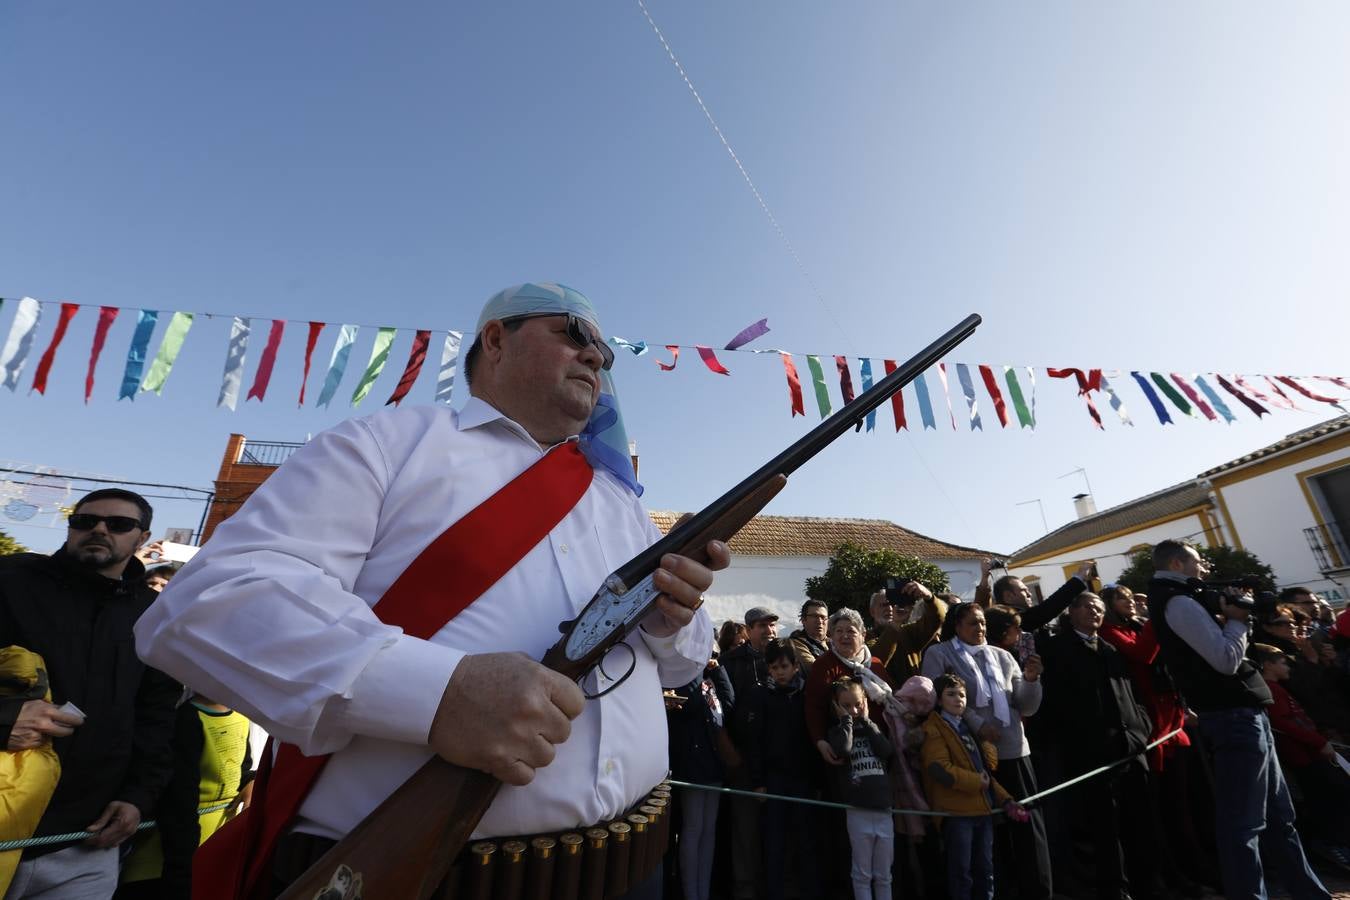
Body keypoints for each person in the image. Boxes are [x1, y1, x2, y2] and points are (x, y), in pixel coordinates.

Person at [136, 283, 727, 900]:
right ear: (495, 339)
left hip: (634, 862)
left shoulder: (621, 503)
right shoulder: (387, 444)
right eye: (575, 334)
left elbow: (683, 668)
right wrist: (437, 694)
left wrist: (672, 618)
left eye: (604, 351)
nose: (597, 358)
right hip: (426, 878)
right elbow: (208, 602)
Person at [1, 489, 180, 900]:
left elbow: (156, 718)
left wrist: (137, 797)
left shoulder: (154, 616)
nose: (99, 529)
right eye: (84, 521)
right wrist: (6, 716)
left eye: (118, 524)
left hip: (84, 844)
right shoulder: (10, 580)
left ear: (142, 537)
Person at [1147, 539, 1330, 900]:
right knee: (1242, 824)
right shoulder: (1178, 601)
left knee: (1280, 819)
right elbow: (1225, 659)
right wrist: (1238, 621)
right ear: (1178, 564)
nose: (1204, 569)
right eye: (1198, 562)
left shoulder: (1185, 596)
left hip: (1245, 714)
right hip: (1232, 717)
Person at [920, 601, 1050, 900]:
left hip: (1014, 750)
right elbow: (939, 698)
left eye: (982, 623)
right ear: (956, 626)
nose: (980, 628)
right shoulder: (940, 654)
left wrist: (1031, 680)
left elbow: (1026, 704)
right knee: (989, 839)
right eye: (972, 623)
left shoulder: (1003, 656)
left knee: (1027, 826)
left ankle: (1038, 890)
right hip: (972, 755)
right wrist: (977, 724)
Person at [1037, 592, 1158, 900]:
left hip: (1130, 750)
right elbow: (1054, 705)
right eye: (1089, 607)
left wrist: (1141, 730)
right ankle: (1115, 890)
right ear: (1072, 611)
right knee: (1105, 830)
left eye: (1100, 609)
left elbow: (1132, 694)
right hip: (1091, 755)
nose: (1095, 613)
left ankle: (1147, 885)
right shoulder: (1055, 649)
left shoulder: (1110, 649)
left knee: (1140, 825)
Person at [920, 673, 1020, 900]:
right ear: (938, 700)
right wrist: (976, 782)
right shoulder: (934, 729)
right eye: (951, 694)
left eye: (962, 695)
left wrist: (1006, 799)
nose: (958, 699)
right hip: (957, 815)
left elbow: (983, 773)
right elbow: (939, 769)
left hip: (981, 813)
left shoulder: (967, 728)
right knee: (961, 874)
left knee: (986, 872)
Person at [1252, 643, 1350, 871]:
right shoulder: (1270, 688)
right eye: (1282, 662)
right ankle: (1331, 846)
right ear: (1267, 665)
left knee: (1337, 793)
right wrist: (1318, 742)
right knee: (1329, 798)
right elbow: (1285, 725)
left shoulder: (1278, 688)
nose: (1287, 666)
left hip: (1311, 752)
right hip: (1303, 756)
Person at [745, 639, 819, 900]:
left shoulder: (805, 696)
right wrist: (758, 781)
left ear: (796, 667)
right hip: (773, 780)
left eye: (784, 666)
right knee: (774, 843)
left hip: (803, 779)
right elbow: (754, 742)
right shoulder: (761, 696)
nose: (780, 672)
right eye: (774, 667)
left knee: (806, 841)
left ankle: (810, 891)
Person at [719, 606, 778, 900]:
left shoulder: (782, 657)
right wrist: (730, 752)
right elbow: (722, 711)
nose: (769, 631)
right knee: (744, 833)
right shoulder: (730, 662)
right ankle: (744, 891)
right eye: (762, 626)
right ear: (749, 629)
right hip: (742, 760)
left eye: (772, 626)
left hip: (776, 761)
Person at [667, 645, 734, 900]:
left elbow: (728, 702)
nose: (711, 657)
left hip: (713, 763)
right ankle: (690, 892)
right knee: (693, 830)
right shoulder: (683, 677)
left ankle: (702, 892)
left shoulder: (710, 677)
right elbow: (689, 704)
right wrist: (698, 669)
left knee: (708, 831)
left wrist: (720, 670)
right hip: (692, 765)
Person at [827, 678, 895, 900]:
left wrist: (866, 720)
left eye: (857, 704)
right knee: (862, 873)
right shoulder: (838, 732)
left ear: (865, 702)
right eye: (846, 705)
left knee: (884, 874)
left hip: (883, 810)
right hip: (858, 811)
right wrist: (846, 720)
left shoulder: (872, 728)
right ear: (836, 706)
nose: (853, 710)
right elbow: (844, 750)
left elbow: (886, 751)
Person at [866, 581, 947, 686]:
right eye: (885, 605)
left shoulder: (909, 633)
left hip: (913, 698)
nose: (891, 609)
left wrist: (929, 597)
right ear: (872, 611)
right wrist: (894, 625)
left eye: (895, 603)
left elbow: (937, 619)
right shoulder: (862, 636)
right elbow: (876, 659)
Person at [788, 599, 830, 674]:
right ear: (803, 620)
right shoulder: (796, 643)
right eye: (815, 616)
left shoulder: (835, 643)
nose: (820, 621)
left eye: (823, 617)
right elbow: (817, 670)